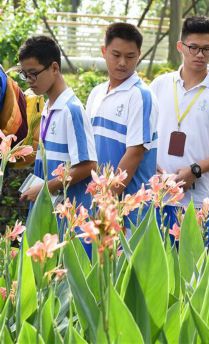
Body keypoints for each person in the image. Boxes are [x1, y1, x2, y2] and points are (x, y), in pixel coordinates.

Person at [151, 16, 209, 248]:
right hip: (157, 195)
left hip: (198, 199)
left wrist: (196, 170)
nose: (200, 55)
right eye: (194, 48)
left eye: (207, 49)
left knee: (195, 274)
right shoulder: (159, 85)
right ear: (181, 46)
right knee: (157, 270)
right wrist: (150, 165)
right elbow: (144, 135)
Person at [18, 36, 97, 250]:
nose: (29, 80)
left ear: (54, 67)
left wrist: (45, 189)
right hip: (49, 214)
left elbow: (89, 165)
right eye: (25, 75)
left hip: (68, 219)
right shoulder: (47, 106)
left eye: (33, 73)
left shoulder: (71, 110)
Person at [86, 23, 159, 229]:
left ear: (139, 56)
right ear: (104, 51)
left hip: (129, 209)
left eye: (130, 56)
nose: (122, 63)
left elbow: (135, 152)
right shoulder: (97, 93)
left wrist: (106, 200)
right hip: (99, 204)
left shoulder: (141, 95)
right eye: (116, 54)